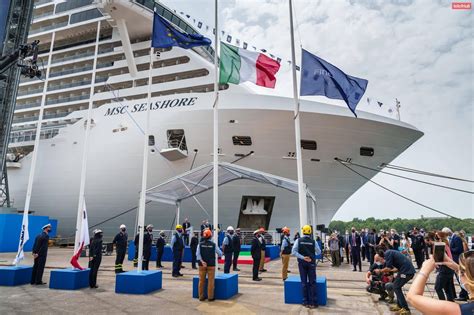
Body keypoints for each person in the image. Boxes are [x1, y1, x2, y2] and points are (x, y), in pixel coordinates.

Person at [407, 251, 474, 315]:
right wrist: (456, 268)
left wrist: (424, 270)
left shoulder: (457, 310)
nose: (459, 274)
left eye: (461, 272)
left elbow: (411, 297)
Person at [375, 245, 416, 315]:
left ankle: (406, 309)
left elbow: (388, 268)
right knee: (396, 286)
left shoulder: (387, 253)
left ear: (380, 251)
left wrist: (380, 270)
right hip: (405, 271)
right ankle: (399, 306)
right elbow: (395, 269)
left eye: (378, 253)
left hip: (407, 273)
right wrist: (389, 272)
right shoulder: (390, 252)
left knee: (396, 287)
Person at [291, 225, 321, 309]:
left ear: (303, 231)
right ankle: (313, 302)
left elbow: (293, 252)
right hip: (311, 263)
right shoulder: (313, 241)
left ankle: (305, 301)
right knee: (312, 282)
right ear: (310, 232)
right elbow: (318, 252)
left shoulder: (298, 240)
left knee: (304, 282)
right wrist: (311, 256)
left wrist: (303, 257)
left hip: (302, 263)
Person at [444, 227, 470, 301]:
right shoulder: (453, 238)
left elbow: (459, 249)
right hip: (455, 259)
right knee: (459, 278)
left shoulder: (456, 238)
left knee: (460, 278)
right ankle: (463, 294)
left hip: (457, 260)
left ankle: (464, 295)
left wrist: (449, 249)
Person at [196, 229, 222, 301]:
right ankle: (210, 297)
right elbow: (220, 253)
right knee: (211, 281)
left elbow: (197, 254)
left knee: (201, 281)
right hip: (211, 265)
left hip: (202, 265)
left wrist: (202, 261)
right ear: (211, 236)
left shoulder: (200, 244)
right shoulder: (213, 245)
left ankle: (201, 297)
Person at [434, 231, 455, 301]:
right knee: (448, 288)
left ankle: (442, 303)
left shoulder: (441, 244)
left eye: (437, 235)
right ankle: (450, 302)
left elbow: (439, 259)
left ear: (439, 236)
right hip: (449, 268)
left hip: (444, 268)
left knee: (438, 287)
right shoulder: (446, 243)